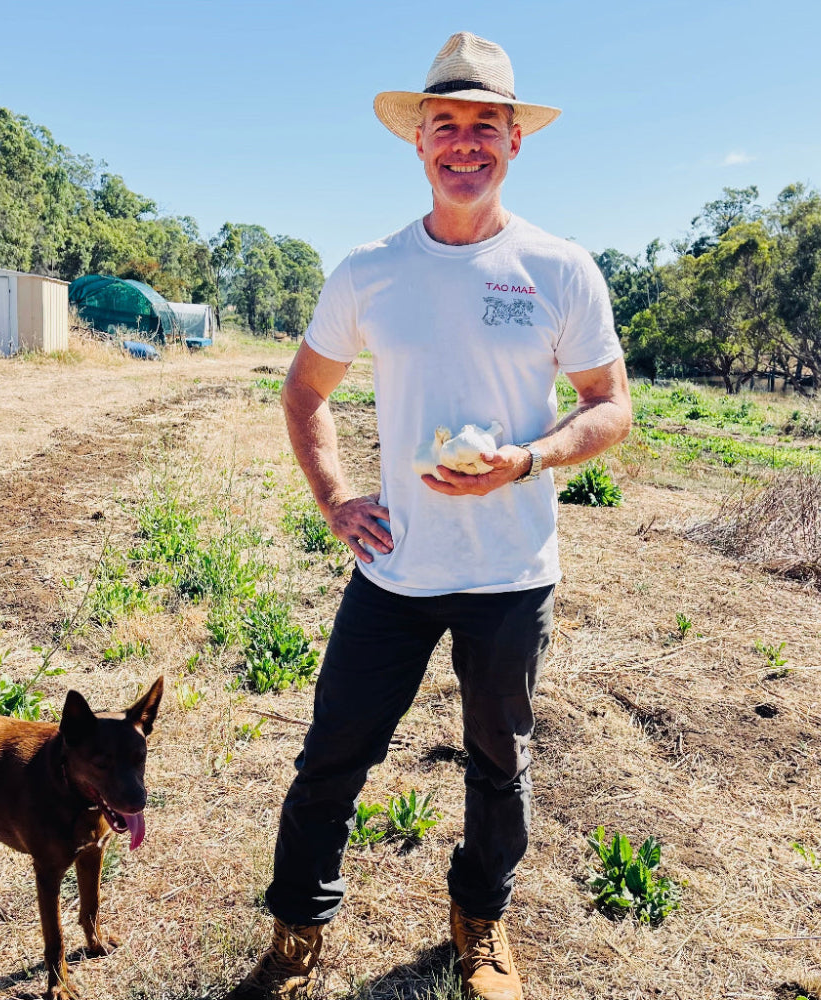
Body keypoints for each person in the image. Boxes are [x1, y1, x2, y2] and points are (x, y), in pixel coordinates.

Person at [229, 31, 632, 1000]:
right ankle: (296, 931)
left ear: (513, 143)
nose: (463, 143)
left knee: (500, 766)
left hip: (509, 575)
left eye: (483, 126)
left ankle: (479, 927)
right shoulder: (370, 269)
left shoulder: (560, 266)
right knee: (330, 759)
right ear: (416, 141)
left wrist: (528, 458)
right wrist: (334, 496)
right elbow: (304, 391)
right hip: (395, 573)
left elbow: (610, 403)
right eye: (443, 124)